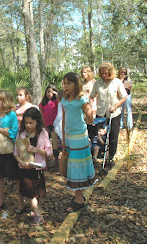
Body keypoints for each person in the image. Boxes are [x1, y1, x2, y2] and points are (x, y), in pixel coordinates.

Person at [61, 72, 97, 212]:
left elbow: (90, 116)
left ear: (76, 84)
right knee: (72, 166)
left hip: (79, 138)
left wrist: (88, 120)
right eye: (64, 83)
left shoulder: (81, 99)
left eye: (69, 83)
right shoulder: (64, 100)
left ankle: (79, 198)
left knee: (78, 166)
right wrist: (64, 139)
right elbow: (64, 120)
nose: (66, 86)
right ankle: (78, 195)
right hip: (69, 138)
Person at [14, 107, 52, 226]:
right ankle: (38, 215)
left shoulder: (43, 133)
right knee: (30, 193)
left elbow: (49, 151)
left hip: (37, 168)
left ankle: (34, 210)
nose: (28, 125)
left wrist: (37, 150)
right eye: (26, 123)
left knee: (36, 192)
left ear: (37, 121)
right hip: (25, 168)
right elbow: (15, 152)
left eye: (31, 122)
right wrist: (21, 162)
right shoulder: (21, 134)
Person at [89, 62, 127, 166]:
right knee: (100, 135)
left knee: (113, 136)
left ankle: (111, 157)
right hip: (101, 114)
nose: (104, 75)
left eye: (106, 73)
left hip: (114, 114)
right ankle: (99, 155)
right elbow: (92, 95)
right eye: (102, 73)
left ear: (110, 72)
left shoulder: (117, 82)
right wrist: (90, 106)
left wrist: (115, 106)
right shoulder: (97, 83)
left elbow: (124, 97)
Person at [52, 90, 64, 168]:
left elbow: (59, 116)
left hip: (60, 126)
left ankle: (59, 162)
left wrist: (54, 124)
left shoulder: (61, 104)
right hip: (65, 127)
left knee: (56, 144)